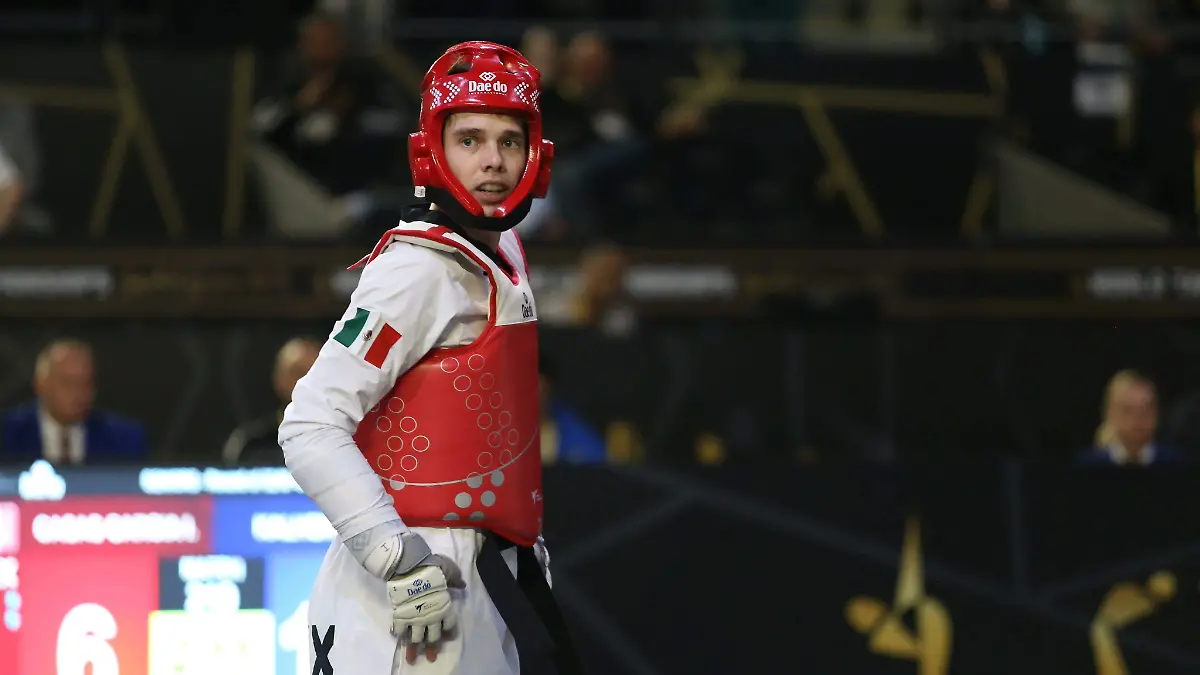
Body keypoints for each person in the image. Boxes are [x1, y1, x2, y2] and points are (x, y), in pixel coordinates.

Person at [279, 42, 581, 675]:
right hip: (413, 592)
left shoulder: (504, 250)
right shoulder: (414, 271)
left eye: (510, 140)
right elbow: (309, 424)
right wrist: (397, 557)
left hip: (489, 569)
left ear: (536, 154)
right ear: (431, 151)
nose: (493, 160)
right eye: (470, 139)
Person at [1, 339, 147, 465]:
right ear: (40, 385)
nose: (79, 393)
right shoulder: (7, 434)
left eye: (86, 383)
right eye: (68, 382)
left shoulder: (123, 438)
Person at [221, 337, 320, 466]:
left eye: (315, 373)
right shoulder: (251, 445)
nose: (306, 382)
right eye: (298, 372)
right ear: (279, 380)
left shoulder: (343, 441)